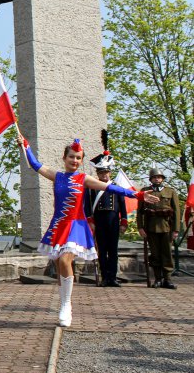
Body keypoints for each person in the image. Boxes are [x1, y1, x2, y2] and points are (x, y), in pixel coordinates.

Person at [17, 135, 157, 327]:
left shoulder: (84, 179)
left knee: (66, 259)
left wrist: (137, 194)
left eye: (78, 158)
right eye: (72, 157)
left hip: (76, 225)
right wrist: (25, 145)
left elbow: (111, 188)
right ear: (64, 158)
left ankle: (66, 305)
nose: (75, 160)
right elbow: (34, 164)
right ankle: (63, 302)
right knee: (59, 265)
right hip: (59, 224)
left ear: (81, 161)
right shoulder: (56, 176)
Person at [84, 151, 127, 287]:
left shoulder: (116, 187)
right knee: (101, 250)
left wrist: (124, 221)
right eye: (101, 173)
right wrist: (91, 222)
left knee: (113, 250)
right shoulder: (92, 188)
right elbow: (88, 207)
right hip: (100, 221)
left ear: (110, 173)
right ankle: (104, 277)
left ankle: (113, 277)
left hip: (113, 220)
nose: (104, 175)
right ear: (98, 174)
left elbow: (122, 205)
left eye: (106, 172)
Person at [137, 168, 181, 289]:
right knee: (155, 254)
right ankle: (157, 279)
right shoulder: (145, 191)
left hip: (167, 227)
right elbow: (140, 211)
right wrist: (140, 227)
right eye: (154, 177)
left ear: (162, 179)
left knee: (167, 254)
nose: (157, 179)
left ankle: (167, 279)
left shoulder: (170, 191)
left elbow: (176, 211)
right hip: (150, 227)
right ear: (151, 179)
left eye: (159, 177)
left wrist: (176, 229)